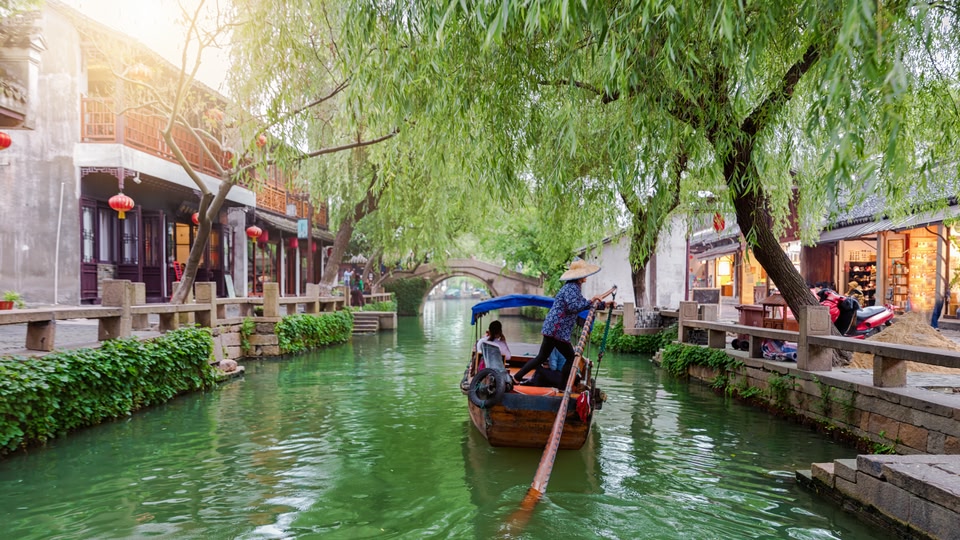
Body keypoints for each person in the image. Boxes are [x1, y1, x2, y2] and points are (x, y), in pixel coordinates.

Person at [513, 259, 610, 387]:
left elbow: (583, 304)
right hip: (557, 329)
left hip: (553, 328)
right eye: (584, 274)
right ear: (579, 276)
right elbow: (574, 307)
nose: (586, 276)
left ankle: (517, 377)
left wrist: (604, 305)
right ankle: (563, 386)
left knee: (542, 357)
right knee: (570, 358)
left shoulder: (574, 287)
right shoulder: (571, 288)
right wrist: (592, 300)